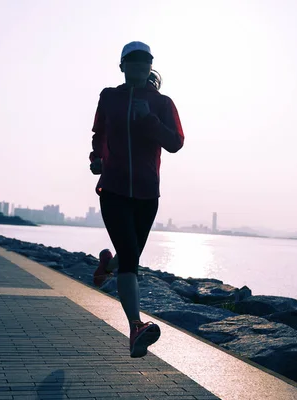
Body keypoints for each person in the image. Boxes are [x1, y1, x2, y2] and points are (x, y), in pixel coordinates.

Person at [88, 41, 184, 358]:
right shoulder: (109, 97)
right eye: (133, 61)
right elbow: (99, 134)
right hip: (113, 189)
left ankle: (108, 266)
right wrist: (97, 158)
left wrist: (149, 120)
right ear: (123, 66)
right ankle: (136, 327)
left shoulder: (162, 103)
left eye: (145, 62)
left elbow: (176, 143)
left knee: (128, 258)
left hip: (146, 194)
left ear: (151, 66)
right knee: (131, 257)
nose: (140, 66)